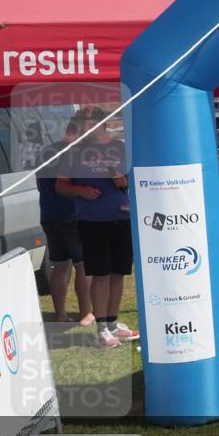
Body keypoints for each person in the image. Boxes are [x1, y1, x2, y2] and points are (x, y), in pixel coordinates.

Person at [55, 108, 139, 348]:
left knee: (119, 273)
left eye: (87, 123)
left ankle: (112, 323)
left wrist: (125, 181)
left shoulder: (122, 148)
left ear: (103, 124)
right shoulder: (74, 152)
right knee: (100, 275)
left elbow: (135, 177)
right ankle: (101, 327)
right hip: (92, 221)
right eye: (80, 124)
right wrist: (81, 191)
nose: (83, 129)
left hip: (122, 218)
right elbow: (61, 186)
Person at [37, 119, 94, 326]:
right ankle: (86, 314)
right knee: (83, 266)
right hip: (72, 214)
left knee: (59, 265)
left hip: (49, 215)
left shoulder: (45, 151)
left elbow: (39, 184)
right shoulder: (77, 152)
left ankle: (60, 314)